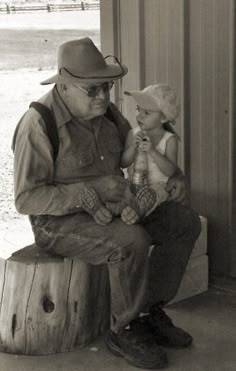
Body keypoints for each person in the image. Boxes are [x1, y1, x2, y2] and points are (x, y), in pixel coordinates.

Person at [12, 37, 201, 369]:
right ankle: (122, 327)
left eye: (108, 87)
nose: (103, 97)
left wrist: (169, 180)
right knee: (132, 240)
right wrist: (95, 188)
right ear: (66, 84)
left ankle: (148, 310)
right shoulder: (38, 125)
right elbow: (27, 199)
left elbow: (138, 155)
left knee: (183, 222)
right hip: (59, 223)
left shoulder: (108, 113)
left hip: (117, 207)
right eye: (93, 90)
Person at [121, 84, 180, 213]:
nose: (139, 116)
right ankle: (125, 211)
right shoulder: (133, 133)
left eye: (146, 113)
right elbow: (123, 162)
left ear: (163, 117)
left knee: (152, 197)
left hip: (157, 186)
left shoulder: (169, 139)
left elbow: (170, 171)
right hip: (134, 183)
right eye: (138, 110)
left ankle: (136, 214)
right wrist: (133, 148)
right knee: (121, 193)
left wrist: (152, 151)